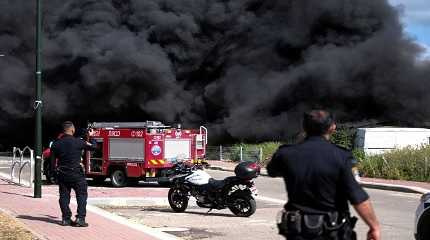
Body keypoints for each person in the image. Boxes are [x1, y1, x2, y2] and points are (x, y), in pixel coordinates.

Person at [267, 110, 380, 240]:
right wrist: (374, 226)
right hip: (332, 231)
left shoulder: (286, 154)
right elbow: (358, 197)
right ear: (332, 127)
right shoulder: (342, 156)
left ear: (304, 127)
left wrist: (298, 145)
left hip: (298, 231)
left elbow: (272, 171)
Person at [50, 121, 96, 227]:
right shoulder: (78, 142)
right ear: (72, 130)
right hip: (77, 174)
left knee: (64, 196)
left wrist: (54, 176)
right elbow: (94, 147)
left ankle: (66, 219)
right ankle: (80, 218)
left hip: (62, 174)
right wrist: (91, 136)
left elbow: (52, 164)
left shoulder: (56, 144)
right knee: (81, 196)